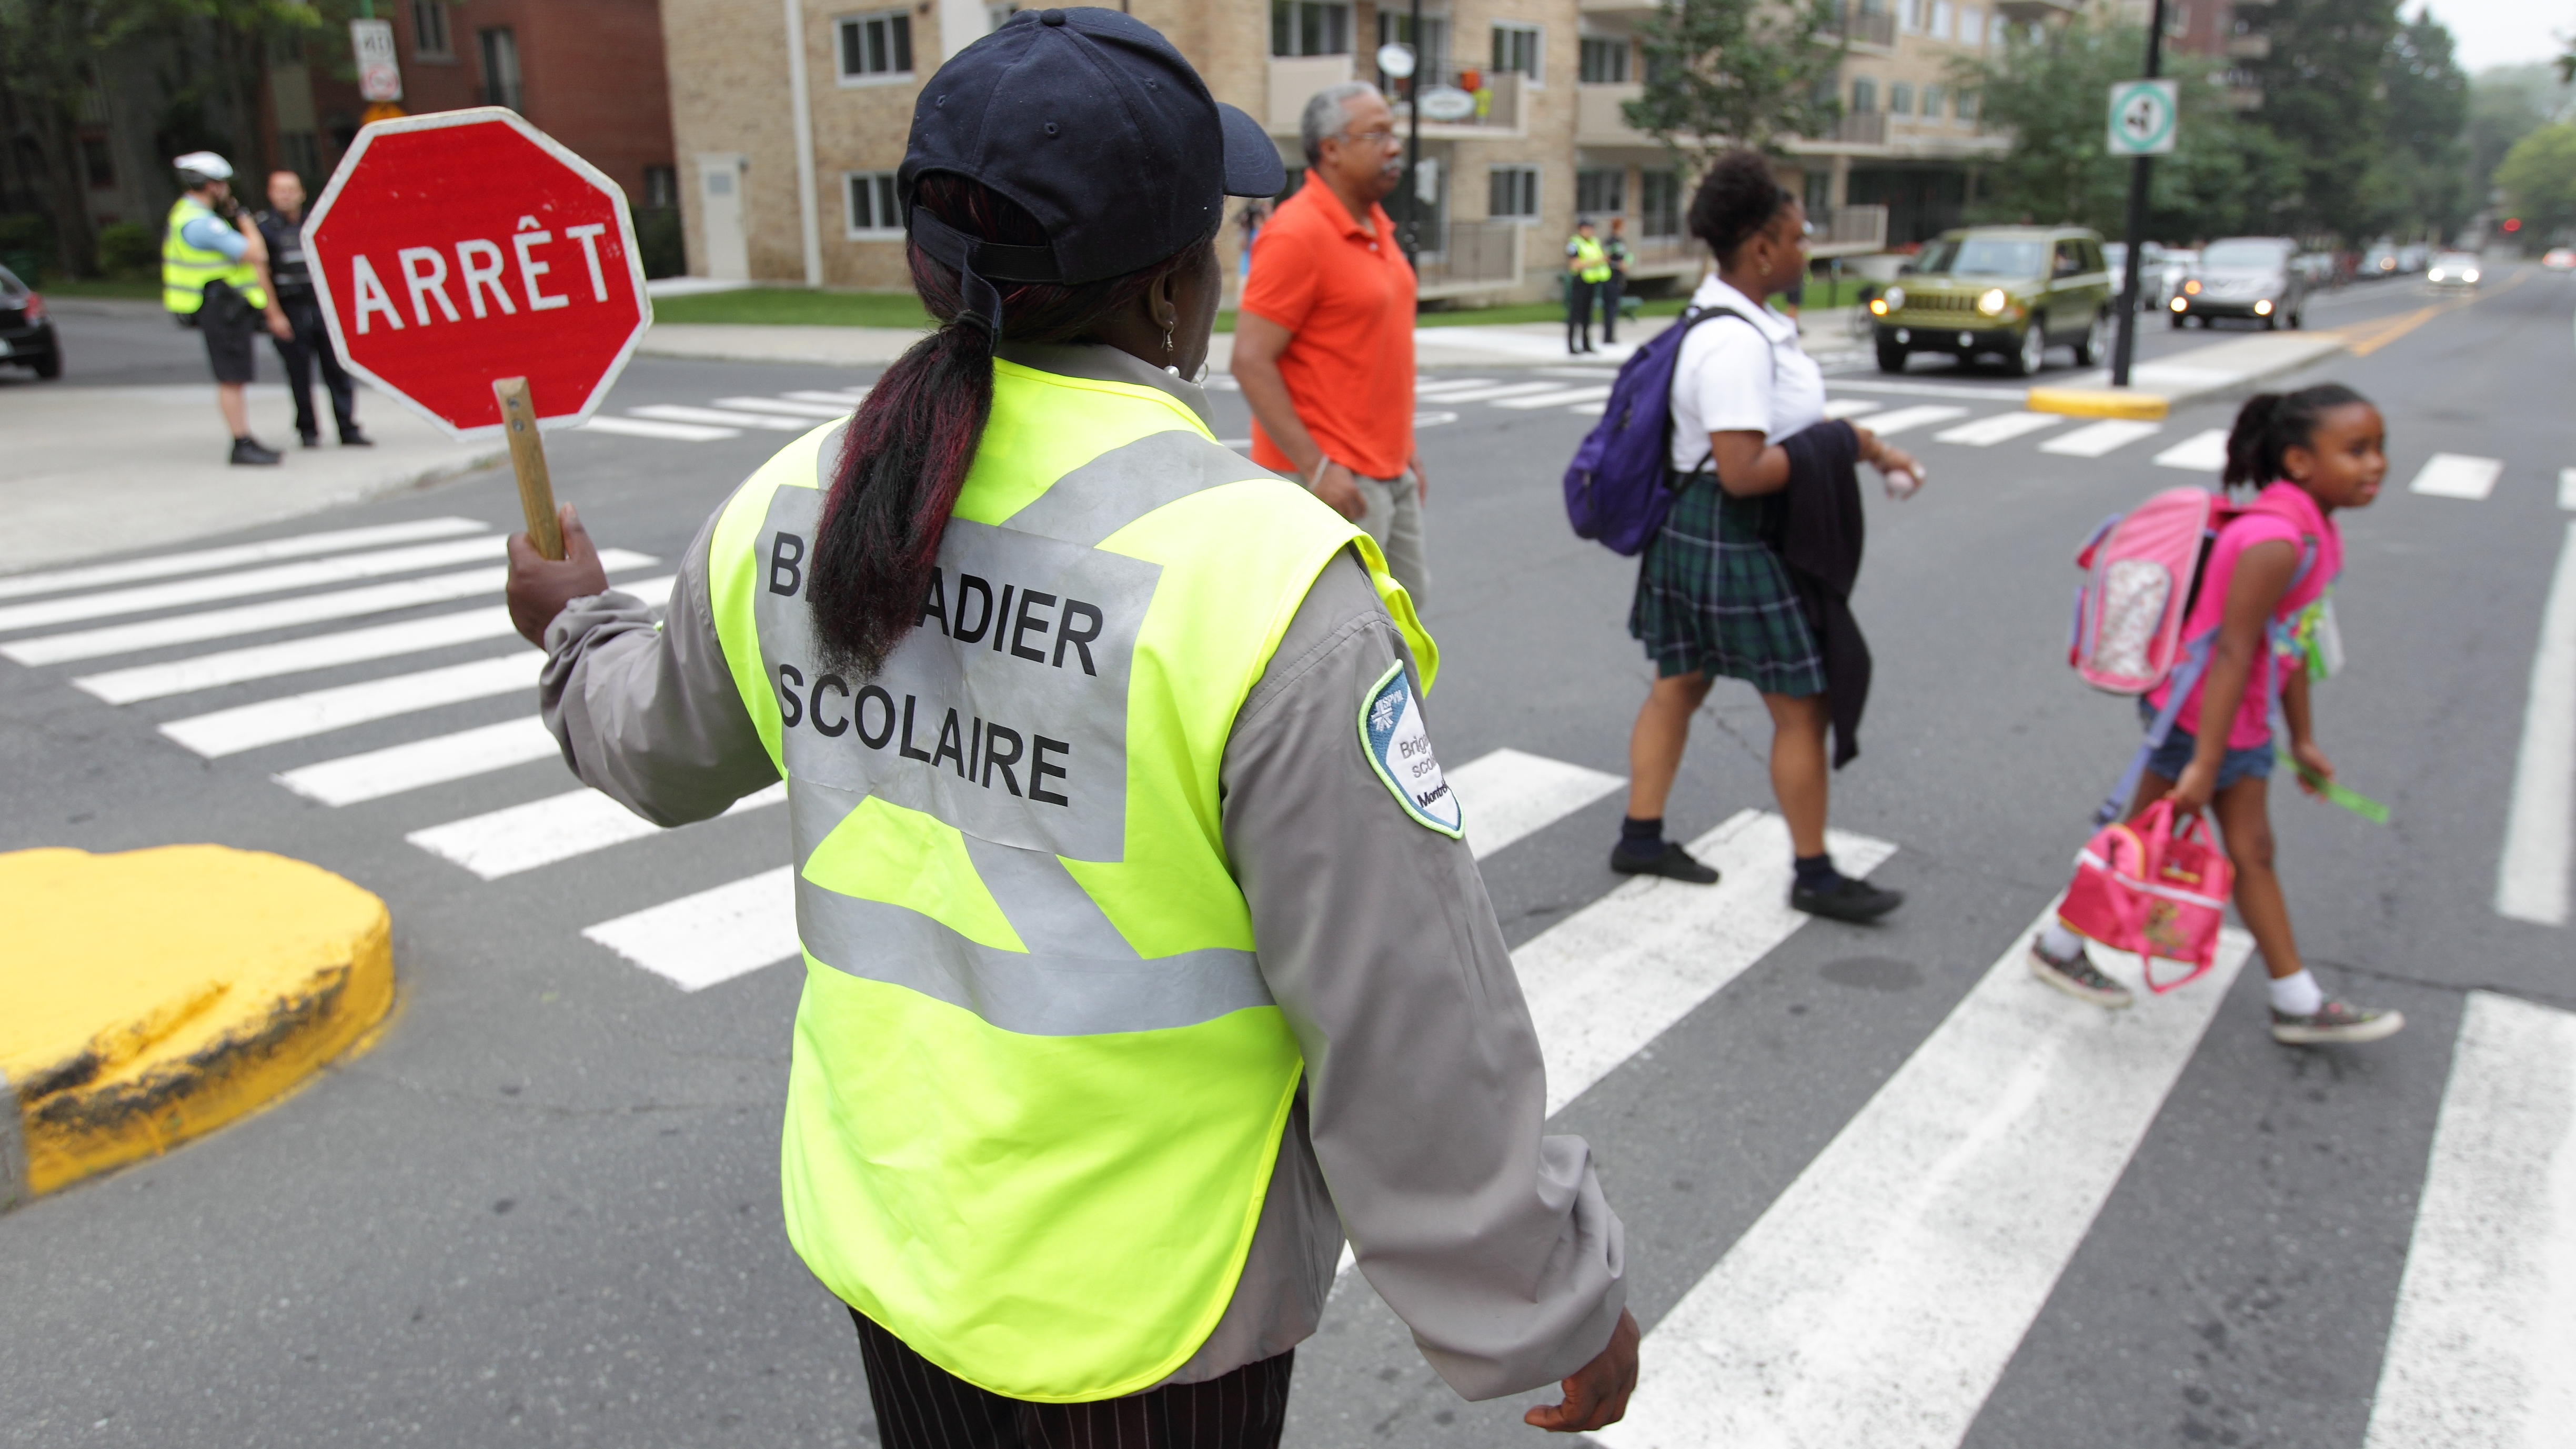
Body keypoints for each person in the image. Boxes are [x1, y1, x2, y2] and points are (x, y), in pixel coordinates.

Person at [501, 11, 1636, 1445]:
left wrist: (573, 619)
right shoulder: (1263, 579)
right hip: (1148, 1317)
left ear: (926, 267)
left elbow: (653, 747)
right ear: (1174, 297)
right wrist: (1552, 1302)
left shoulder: (792, 504)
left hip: (900, 1244)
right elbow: (1412, 1023)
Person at [2029, 385, 2404, 1045]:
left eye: (2378, 448)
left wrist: (2305, 738)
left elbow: (2289, 644)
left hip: (2235, 721)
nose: (2376, 464)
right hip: (2205, 719)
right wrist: (2204, 761)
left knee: (2227, 846)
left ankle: (2292, 996)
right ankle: (2289, 996)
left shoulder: (2314, 531)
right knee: (2161, 840)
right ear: (2298, 462)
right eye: (2356, 451)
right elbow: (2231, 652)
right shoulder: (2275, 541)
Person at [1613, 150, 1919, 922]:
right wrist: (1842, 444)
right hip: (1731, 527)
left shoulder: (1736, 323)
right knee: (1801, 706)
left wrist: (1868, 445)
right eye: (1797, 237)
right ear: (1760, 248)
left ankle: (1641, 836)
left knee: (1679, 683)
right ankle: (1813, 874)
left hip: (1697, 528)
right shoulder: (1736, 343)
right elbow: (1744, 468)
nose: (1804, 250)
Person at [1233, 81, 1432, 610]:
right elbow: (1250, 360)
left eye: (1395, 134)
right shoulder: (1297, 234)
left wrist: (1404, 450)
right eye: (1378, 134)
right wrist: (1317, 468)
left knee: (1405, 630)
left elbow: (1373, 352)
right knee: (1344, 647)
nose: (1395, 147)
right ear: (1332, 149)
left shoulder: (1377, 228)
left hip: (1389, 471)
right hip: (1332, 479)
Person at [163, 152, 287, 465]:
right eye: (221, 183)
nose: (225, 189)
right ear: (210, 185)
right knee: (231, 377)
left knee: (234, 376)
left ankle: (243, 438)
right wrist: (243, 216)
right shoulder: (201, 223)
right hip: (220, 307)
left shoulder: (187, 215)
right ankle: (241, 442)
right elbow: (255, 253)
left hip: (220, 305)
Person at [254, 169, 370, 449]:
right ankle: (308, 430)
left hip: (323, 306)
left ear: (302, 193)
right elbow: (260, 274)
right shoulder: (263, 229)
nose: (286, 195)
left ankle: (348, 427)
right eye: (280, 190)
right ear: (271, 194)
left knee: (338, 369)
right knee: (298, 373)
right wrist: (273, 314)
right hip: (289, 306)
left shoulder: (317, 222)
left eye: (291, 189)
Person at [1565, 219, 1610, 354]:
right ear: (1581, 229)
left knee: (1587, 316)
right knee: (1575, 315)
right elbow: (1575, 264)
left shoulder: (1594, 242)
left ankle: (1586, 344)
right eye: (1588, 228)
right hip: (1579, 283)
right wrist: (1597, 261)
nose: (1591, 231)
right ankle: (1572, 345)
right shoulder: (1574, 243)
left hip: (1592, 282)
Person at [1599, 216, 1632, 345]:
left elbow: (1625, 257)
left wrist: (1626, 264)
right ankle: (1608, 336)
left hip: (1618, 278)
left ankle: (1611, 334)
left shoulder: (1621, 242)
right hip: (1610, 277)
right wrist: (1616, 265)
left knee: (1614, 308)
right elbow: (1605, 258)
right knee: (1610, 308)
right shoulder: (1610, 242)